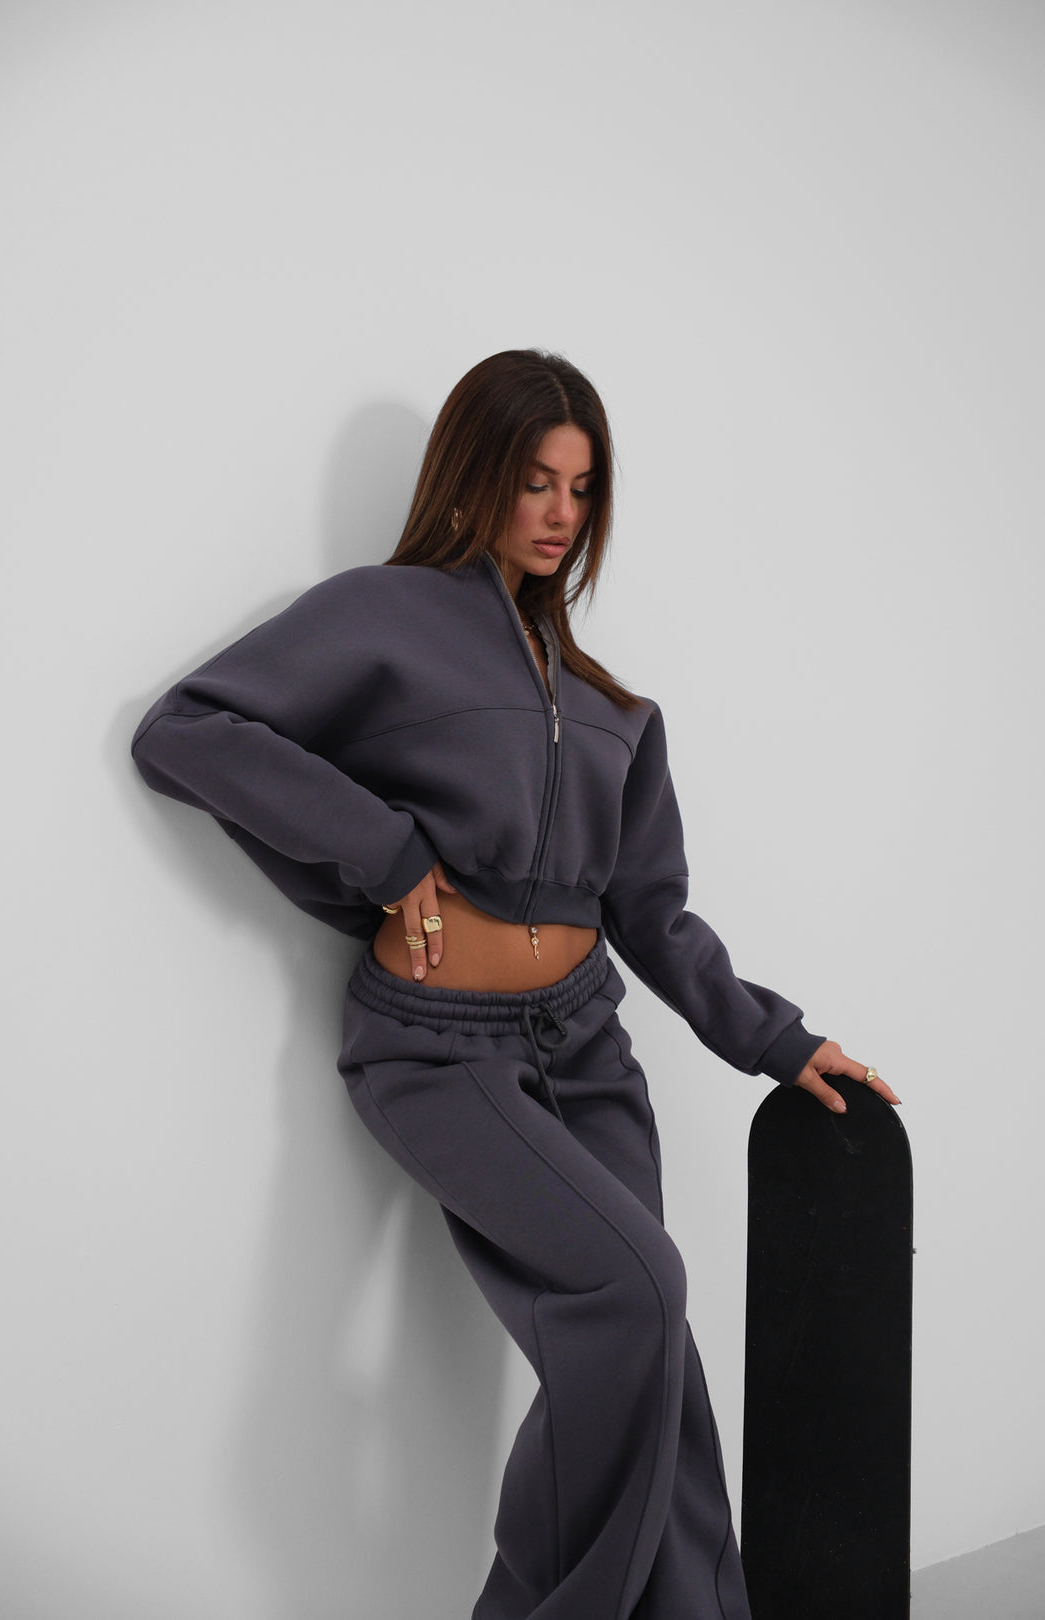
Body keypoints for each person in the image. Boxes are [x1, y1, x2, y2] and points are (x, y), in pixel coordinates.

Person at [131, 349, 898, 1620]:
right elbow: (186, 732)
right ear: (475, 471)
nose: (561, 513)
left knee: (652, 1359)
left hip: (586, 1043)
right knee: (638, 1294)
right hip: (440, 1051)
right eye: (537, 480)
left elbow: (653, 915)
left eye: (583, 489)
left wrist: (778, 1041)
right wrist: (382, 852)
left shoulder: (610, 708)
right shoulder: (380, 616)